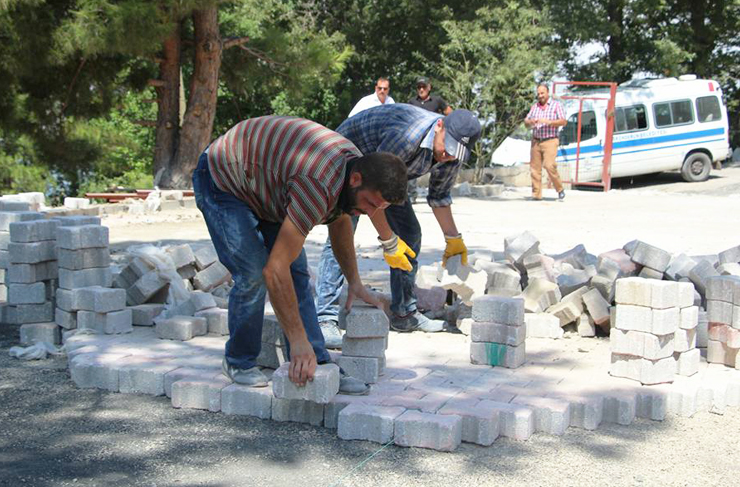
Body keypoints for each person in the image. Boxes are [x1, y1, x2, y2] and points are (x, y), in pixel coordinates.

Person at [192, 116, 408, 394]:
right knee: (254, 272)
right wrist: (297, 340)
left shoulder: (353, 171)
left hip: (264, 184)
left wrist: (355, 282)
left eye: (378, 208)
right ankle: (238, 360)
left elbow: (340, 223)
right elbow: (274, 270)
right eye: (369, 203)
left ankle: (317, 362)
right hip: (223, 178)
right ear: (356, 180)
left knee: (297, 275)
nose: (370, 212)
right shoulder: (317, 184)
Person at [316, 104, 481, 345]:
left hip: (386, 175)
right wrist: (388, 241)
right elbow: (375, 188)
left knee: (409, 234)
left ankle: (404, 314)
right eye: (448, 146)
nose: (448, 155)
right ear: (439, 126)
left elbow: (439, 197)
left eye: (455, 152)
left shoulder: (451, 155)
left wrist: (453, 239)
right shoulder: (406, 137)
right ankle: (325, 318)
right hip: (348, 162)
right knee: (341, 234)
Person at [524, 83, 567, 201]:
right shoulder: (535, 107)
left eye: (542, 93)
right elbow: (526, 121)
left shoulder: (556, 105)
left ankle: (559, 189)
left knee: (549, 165)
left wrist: (549, 122)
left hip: (550, 140)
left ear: (548, 93)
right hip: (536, 140)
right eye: (538, 94)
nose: (540, 96)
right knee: (534, 169)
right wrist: (530, 122)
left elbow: (563, 121)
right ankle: (536, 195)